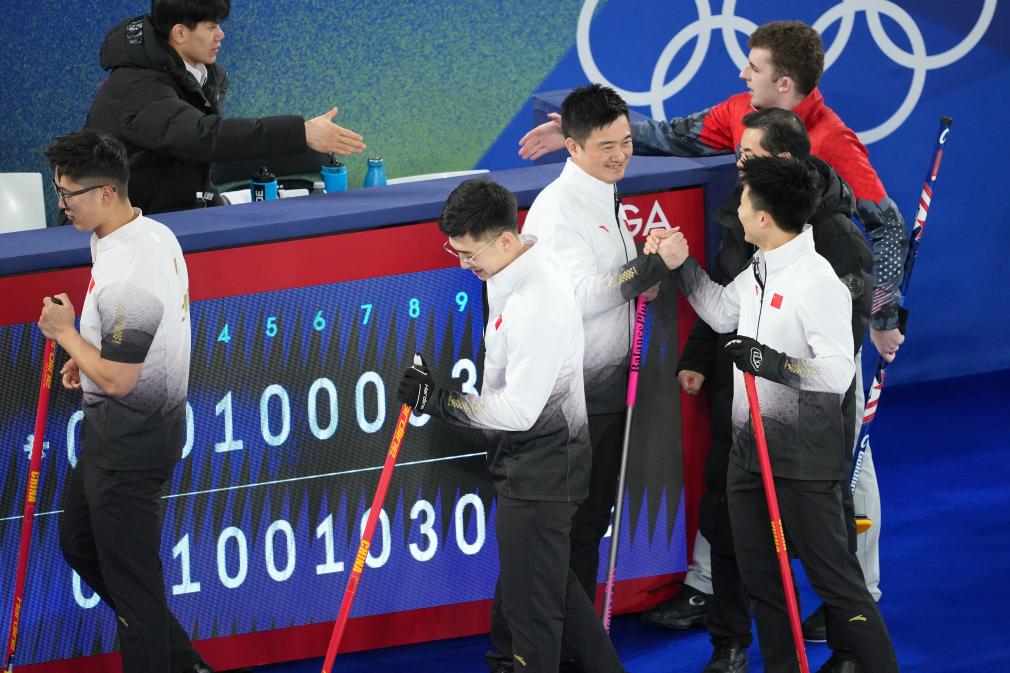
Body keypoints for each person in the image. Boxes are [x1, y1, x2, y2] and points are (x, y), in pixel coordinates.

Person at [519, 19, 897, 642]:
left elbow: (882, 237)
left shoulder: (829, 221)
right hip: (752, 403)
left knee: (835, 517)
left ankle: (856, 619)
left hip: (813, 407)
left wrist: (881, 315)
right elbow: (724, 304)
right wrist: (679, 269)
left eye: (755, 67)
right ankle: (728, 622)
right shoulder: (755, 225)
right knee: (740, 517)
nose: (741, 74)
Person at [651, 156, 899, 673]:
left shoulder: (817, 282)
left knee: (837, 583)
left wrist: (771, 363)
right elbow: (722, 311)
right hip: (748, 457)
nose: (736, 209)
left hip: (803, 463)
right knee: (762, 581)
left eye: (743, 201)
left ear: (764, 217)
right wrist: (683, 266)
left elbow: (836, 372)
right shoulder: (762, 266)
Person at [397, 178, 625, 673]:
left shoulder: (534, 304)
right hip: (535, 466)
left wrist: (436, 400)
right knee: (555, 593)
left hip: (542, 470)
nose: (464, 264)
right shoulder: (518, 267)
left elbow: (520, 412)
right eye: (455, 252)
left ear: (504, 239)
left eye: (468, 253)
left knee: (533, 616)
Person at [37, 129, 206, 673]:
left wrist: (65, 333)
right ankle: (186, 663)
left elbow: (118, 380)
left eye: (69, 194)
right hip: (115, 434)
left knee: (135, 596)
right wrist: (84, 352)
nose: (62, 204)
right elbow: (127, 348)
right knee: (79, 543)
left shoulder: (131, 269)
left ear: (106, 192)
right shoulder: (144, 234)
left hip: (131, 444)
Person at [85, 0, 366, 214]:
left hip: (173, 215)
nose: (221, 35)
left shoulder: (197, 73)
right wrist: (300, 133)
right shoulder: (138, 86)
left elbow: (193, 165)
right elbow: (202, 137)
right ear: (179, 33)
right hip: (123, 229)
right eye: (211, 27)